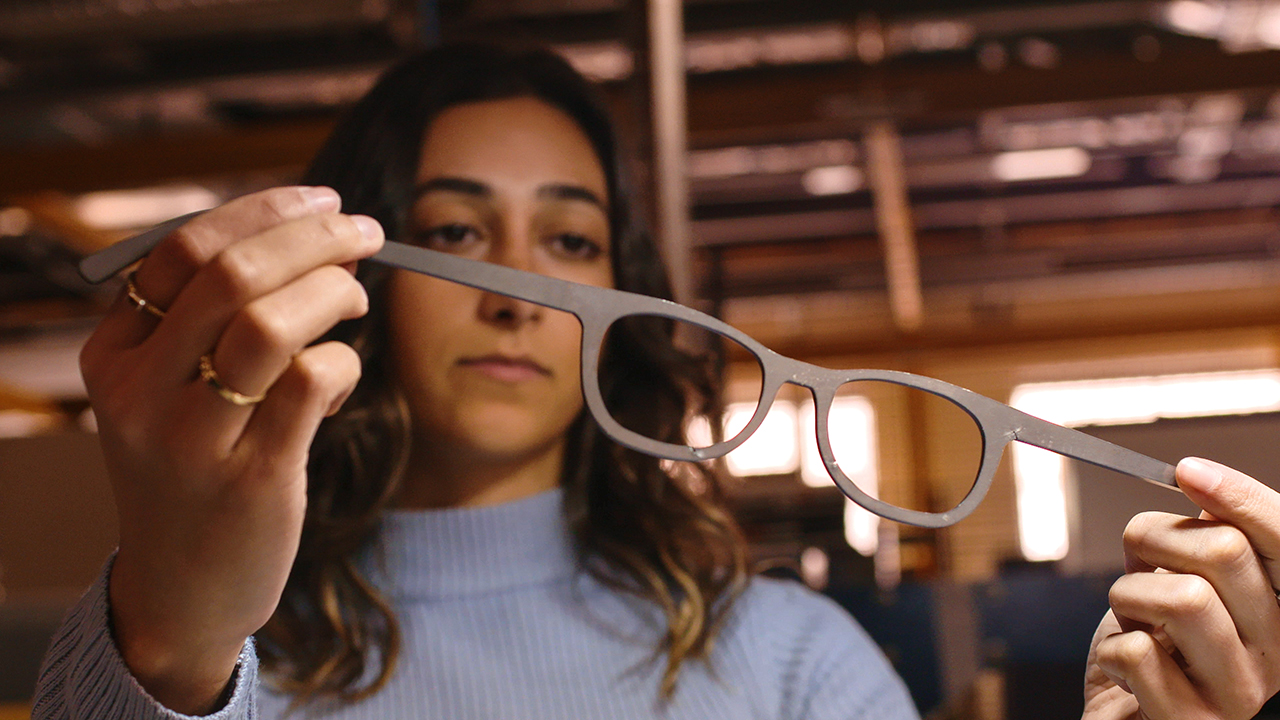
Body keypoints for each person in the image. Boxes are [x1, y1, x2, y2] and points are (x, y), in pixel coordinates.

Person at [28, 42, 1280, 720]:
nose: (520, 290)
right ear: (360, 271)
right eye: (455, 232)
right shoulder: (197, 662)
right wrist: (177, 632)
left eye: (570, 243)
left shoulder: (788, 664)